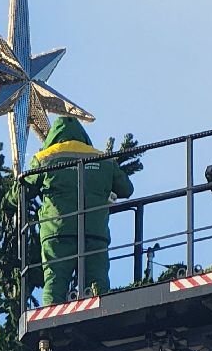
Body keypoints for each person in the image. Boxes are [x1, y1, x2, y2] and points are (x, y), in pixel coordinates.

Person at [28, 116, 134, 304]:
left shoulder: (44, 158)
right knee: (97, 284)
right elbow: (126, 189)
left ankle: (49, 327)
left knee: (55, 282)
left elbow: (22, 192)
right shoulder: (102, 158)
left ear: (54, 135)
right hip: (94, 231)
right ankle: (102, 317)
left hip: (57, 231)